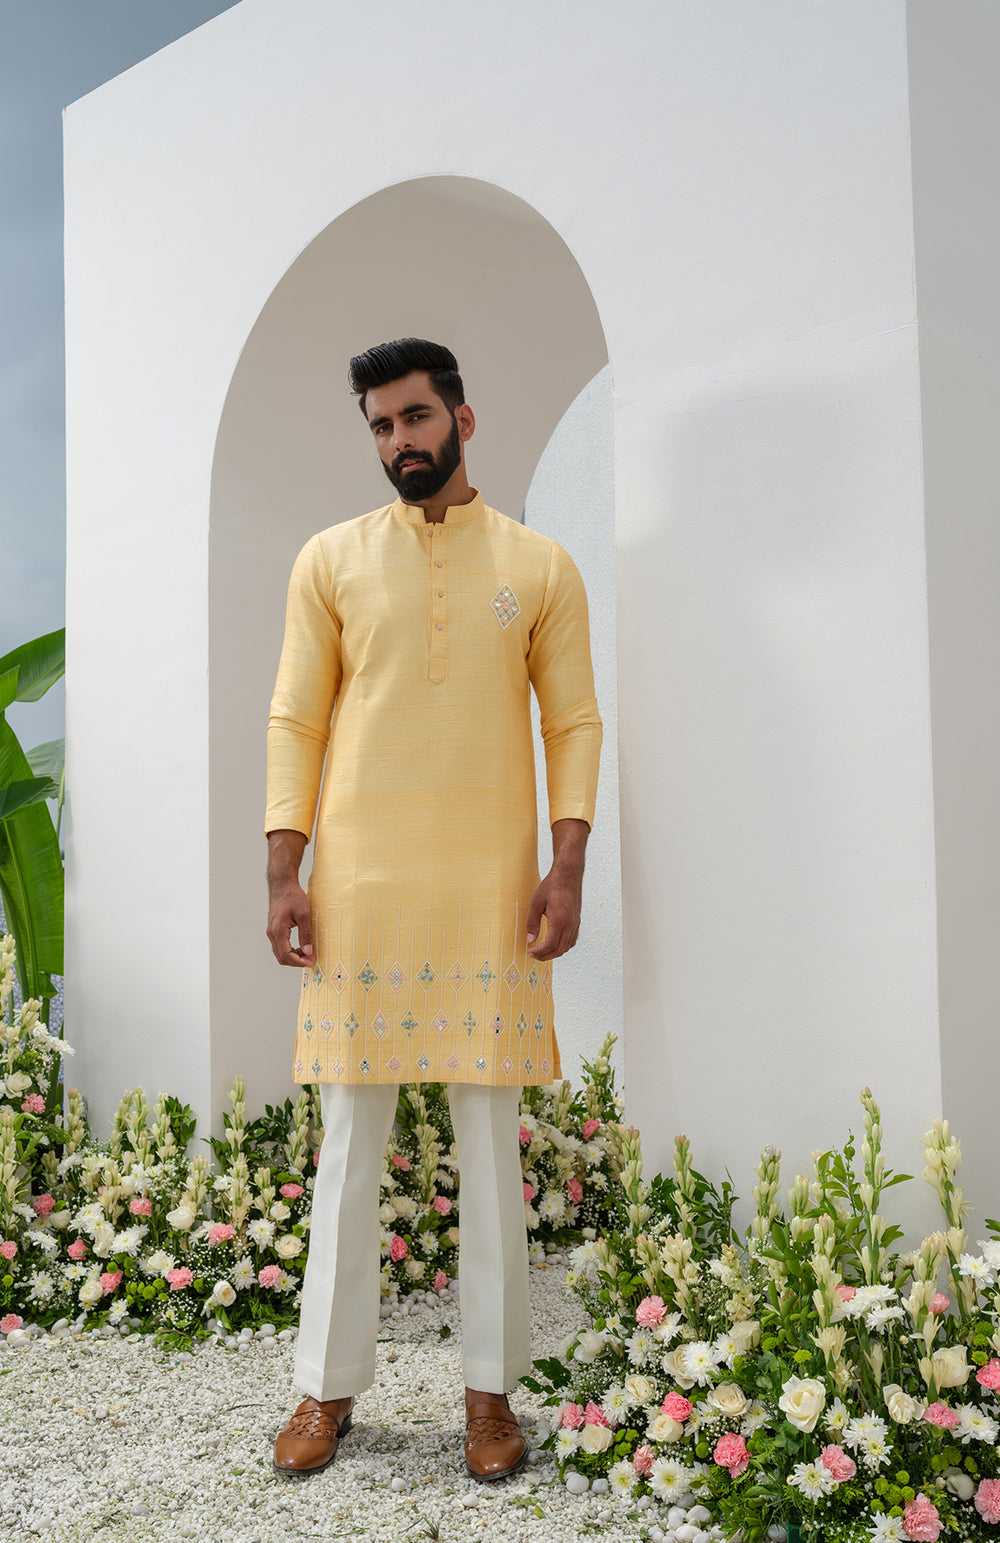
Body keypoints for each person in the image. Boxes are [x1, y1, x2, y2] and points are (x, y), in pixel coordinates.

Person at [264, 338, 602, 1482]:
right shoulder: (331, 560)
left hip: (487, 893)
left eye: (414, 416)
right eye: (380, 424)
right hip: (361, 890)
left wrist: (567, 865)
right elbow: (295, 719)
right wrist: (284, 871)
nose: (397, 440)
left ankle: (489, 1394)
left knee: (489, 1148)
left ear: (462, 417)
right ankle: (325, 1387)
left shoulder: (537, 566)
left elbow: (572, 722)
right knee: (349, 1147)